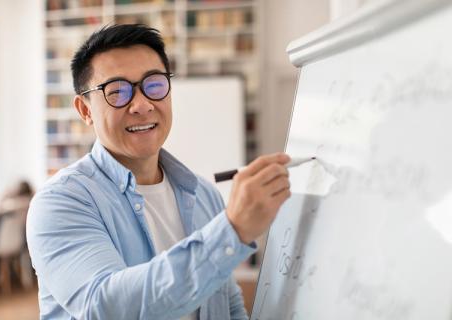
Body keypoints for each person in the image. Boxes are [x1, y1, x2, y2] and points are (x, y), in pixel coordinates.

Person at [26, 24, 291, 320]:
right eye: (117, 92)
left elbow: (228, 305)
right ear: (85, 110)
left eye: (154, 85)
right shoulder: (60, 202)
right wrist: (232, 232)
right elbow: (105, 307)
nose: (141, 105)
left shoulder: (204, 195)